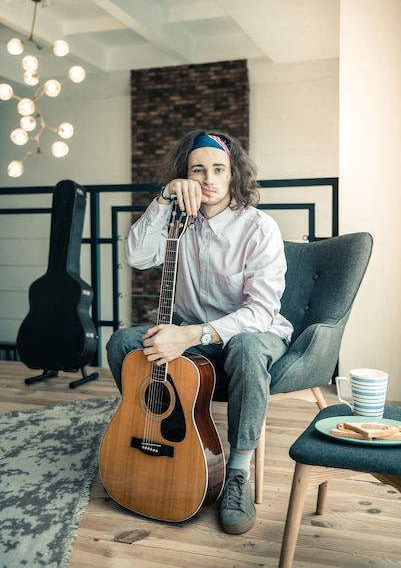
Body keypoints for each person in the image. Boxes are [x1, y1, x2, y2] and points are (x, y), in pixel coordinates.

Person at [106, 129, 293, 535]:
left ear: (233, 176)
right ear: (184, 176)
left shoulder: (259, 228)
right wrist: (162, 199)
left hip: (249, 336)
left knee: (245, 349)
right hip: (192, 344)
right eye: (197, 170)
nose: (208, 179)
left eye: (218, 169)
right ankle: (153, 437)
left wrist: (189, 335)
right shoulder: (177, 222)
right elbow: (137, 256)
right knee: (123, 342)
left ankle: (238, 472)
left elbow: (260, 312)